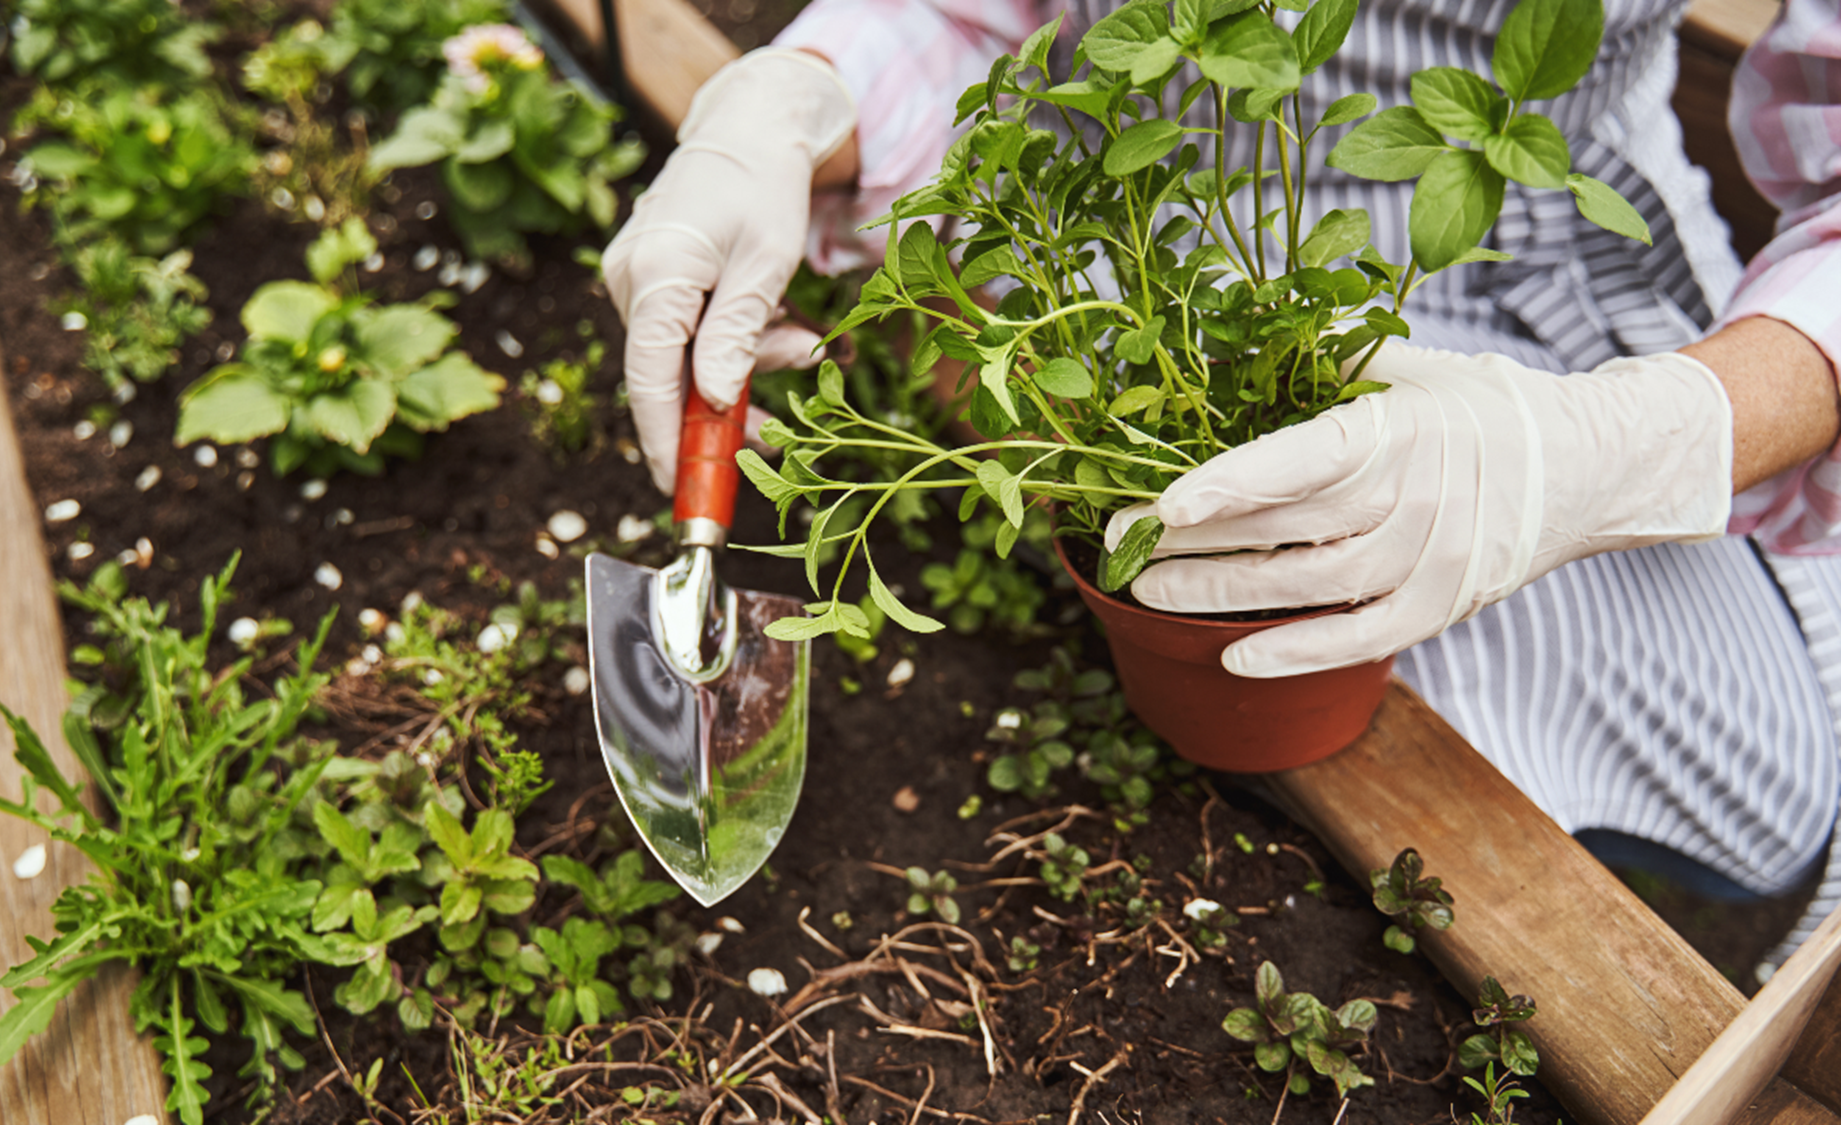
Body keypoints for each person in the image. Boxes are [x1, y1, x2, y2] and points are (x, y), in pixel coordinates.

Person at [601, 0, 1841, 965]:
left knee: (1764, 792)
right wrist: (787, 105)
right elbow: (975, 21)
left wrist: (1636, 438)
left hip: (1519, 287)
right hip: (1123, 250)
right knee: (1217, 623)